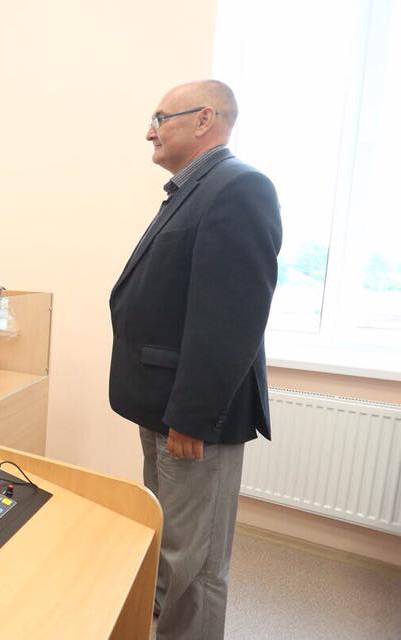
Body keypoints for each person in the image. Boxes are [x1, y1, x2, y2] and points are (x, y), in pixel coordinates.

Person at [108, 80, 282, 639]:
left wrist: (194, 415)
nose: (150, 131)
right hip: (162, 407)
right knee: (170, 544)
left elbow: (232, 318)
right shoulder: (192, 190)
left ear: (205, 118)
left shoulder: (239, 187)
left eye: (160, 118)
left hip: (190, 419)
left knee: (196, 562)